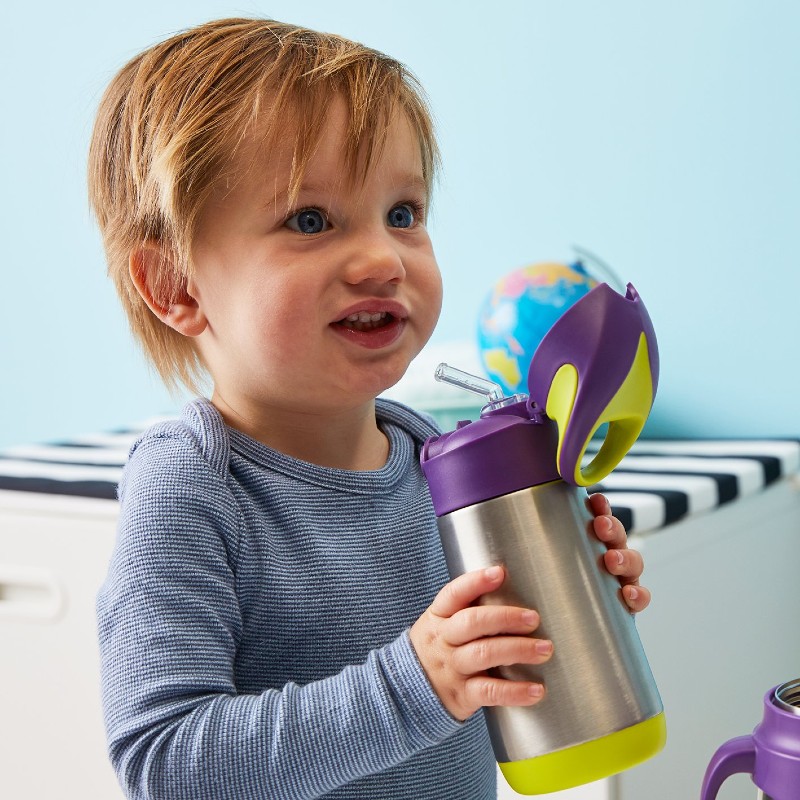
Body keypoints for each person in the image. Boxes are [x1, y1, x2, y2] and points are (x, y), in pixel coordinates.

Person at [89, 17, 651, 800]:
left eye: (403, 213)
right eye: (310, 220)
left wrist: (572, 594)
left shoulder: (436, 460)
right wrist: (416, 684)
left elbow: (474, 676)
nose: (384, 259)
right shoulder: (190, 486)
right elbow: (167, 762)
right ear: (177, 287)